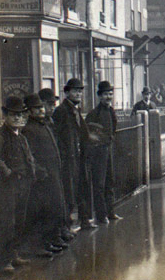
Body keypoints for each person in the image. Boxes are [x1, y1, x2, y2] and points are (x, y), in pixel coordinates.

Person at [0, 96, 36, 273]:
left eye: (20, 115)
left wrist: (31, 174)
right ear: (5, 115)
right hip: (8, 187)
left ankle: (14, 254)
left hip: (23, 184)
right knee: (7, 223)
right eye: (13, 115)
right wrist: (9, 174)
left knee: (20, 221)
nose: (18, 118)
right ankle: (4, 260)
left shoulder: (21, 137)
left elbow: (29, 158)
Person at [22, 94, 68, 257]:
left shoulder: (44, 125)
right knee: (41, 211)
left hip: (53, 173)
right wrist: (41, 171)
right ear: (29, 112)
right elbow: (30, 154)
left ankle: (51, 240)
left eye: (41, 107)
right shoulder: (29, 129)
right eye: (37, 108)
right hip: (42, 177)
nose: (41, 110)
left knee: (54, 207)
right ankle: (40, 245)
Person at [52, 78, 95, 230]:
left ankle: (84, 220)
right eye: (75, 91)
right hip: (69, 159)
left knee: (82, 188)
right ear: (67, 92)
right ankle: (69, 225)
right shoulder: (61, 111)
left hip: (78, 157)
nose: (78, 94)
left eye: (80, 91)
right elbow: (56, 136)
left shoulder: (75, 110)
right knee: (69, 192)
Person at [38, 87, 75, 243]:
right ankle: (54, 235)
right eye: (48, 105)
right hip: (46, 169)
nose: (51, 108)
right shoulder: (41, 123)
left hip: (58, 164)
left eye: (53, 105)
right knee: (51, 202)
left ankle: (61, 229)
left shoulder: (49, 121)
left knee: (62, 198)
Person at [83, 81, 122, 225]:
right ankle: (101, 215)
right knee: (99, 184)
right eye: (105, 94)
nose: (108, 97)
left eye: (110, 94)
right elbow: (89, 133)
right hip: (97, 152)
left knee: (109, 181)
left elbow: (113, 130)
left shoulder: (111, 111)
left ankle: (110, 212)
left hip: (107, 150)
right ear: (99, 96)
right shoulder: (94, 114)